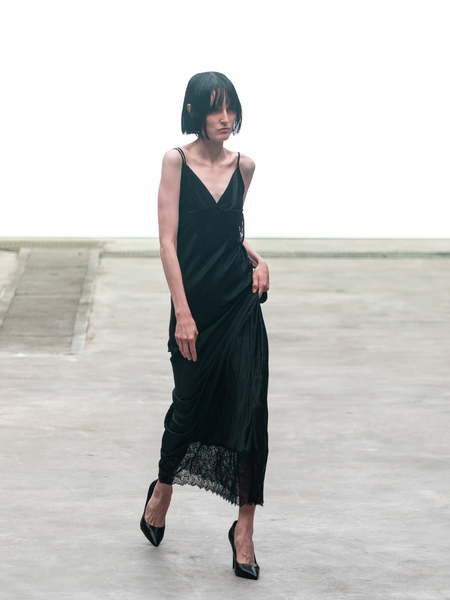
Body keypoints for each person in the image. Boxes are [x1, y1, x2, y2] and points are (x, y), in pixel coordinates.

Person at [140, 71, 269, 580]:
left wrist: (257, 258)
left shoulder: (245, 166)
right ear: (194, 111)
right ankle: (162, 491)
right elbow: (168, 241)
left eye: (231, 107)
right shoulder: (175, 161)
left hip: (240, 304)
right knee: (188, 407)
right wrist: (184, 313)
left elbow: (230, 231)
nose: (226, 118)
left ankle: (244, 530)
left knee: (251, 410)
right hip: (195, 308)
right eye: (215, 108)